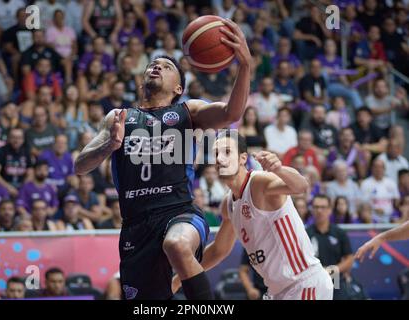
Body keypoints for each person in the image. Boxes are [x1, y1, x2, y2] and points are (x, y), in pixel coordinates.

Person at [74, 18, 251, 300]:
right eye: (153, 64)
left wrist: (245, 66)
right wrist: (110, 144)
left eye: (166, 66)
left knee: (178, 245)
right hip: (136, 225)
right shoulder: (119, 117)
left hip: (179, 211)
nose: (156, 66)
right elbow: (80, 165)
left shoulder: (188, 112)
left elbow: (231, 114)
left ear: (178, 88)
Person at [173, 132, 332, 300]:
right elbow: (218, 251)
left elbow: (301, 186)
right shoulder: (228, 205)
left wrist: (279, 169)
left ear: (243, 158)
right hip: (276, 291)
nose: (220, 159)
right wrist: (179, 279)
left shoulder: (259, 183)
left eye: (227, 152)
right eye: (216, 154)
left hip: (304, 283)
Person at [306, 195, 355, 300]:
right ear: (312, 210)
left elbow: (350, 258)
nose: (319, 210)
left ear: (330, 210)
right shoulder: (305, 234)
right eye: (316, 207)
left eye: (323, 207)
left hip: (335, 278)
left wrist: (332, 270)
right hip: (312, 280)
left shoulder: (339, 233)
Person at [360, 159, 400, 223]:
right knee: (365, 214)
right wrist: (374, 209)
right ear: (372, 168)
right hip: (373, 214)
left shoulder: (391, 182)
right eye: (376, 167)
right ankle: (372, 232)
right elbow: (364, 203)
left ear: (384, 169)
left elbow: (396, 200)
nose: (378, 169)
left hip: (389, 215)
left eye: (380, 167)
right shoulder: (366, 183)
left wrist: (390, 210)